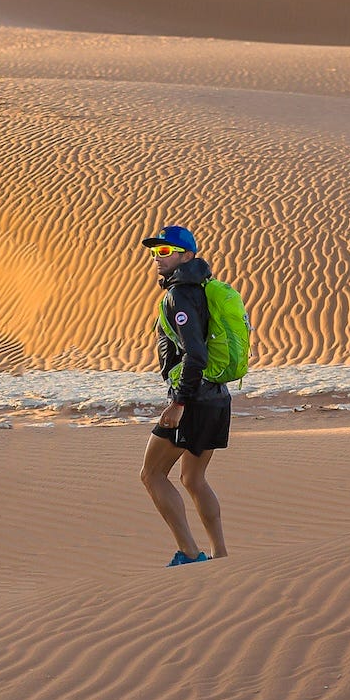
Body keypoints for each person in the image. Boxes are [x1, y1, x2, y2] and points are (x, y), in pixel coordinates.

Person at [138, 224, 229, 566]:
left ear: (187, 255)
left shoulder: (179, 295)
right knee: (193, 478)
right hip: (218, 398)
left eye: (165, 252)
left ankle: (190, 554)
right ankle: (220, 555)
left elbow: (196, 354)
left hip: (193, 400)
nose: (157, 259)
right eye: (154, 252)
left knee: (151, 474)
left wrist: (178, 402)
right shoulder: (204, 289)